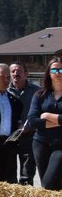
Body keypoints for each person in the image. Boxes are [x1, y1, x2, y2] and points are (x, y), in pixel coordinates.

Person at [26, 57, 62, 190]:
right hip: (41, 143)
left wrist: (47, 115)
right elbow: (32, 121)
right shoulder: (40, 94)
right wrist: (59, 121)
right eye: (54, 69)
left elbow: (40, 119)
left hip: (60, 145)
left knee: (49, 182)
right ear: (48, 72)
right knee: (47, 186)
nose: (57, 73)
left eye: (61, 69)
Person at [9, 62, 41, 185]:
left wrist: (31, 126)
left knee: (27, 172)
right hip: (10, 136)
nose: (15, 74)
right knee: (9, 172)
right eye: (13, 71)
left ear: (26, 74)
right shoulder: (5, 90)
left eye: (19, 71)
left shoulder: (37, 92)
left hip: (30, 136)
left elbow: (41, 113)